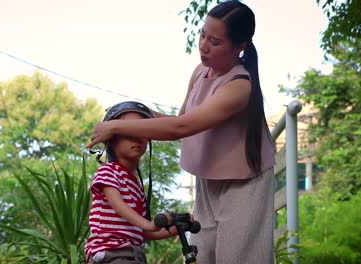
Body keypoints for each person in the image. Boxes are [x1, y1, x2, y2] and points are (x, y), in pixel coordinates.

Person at [87, 1, 276, 263]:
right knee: (205, 255)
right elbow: (182, 119)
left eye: (215, 41)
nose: (203, 45)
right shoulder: (200, 72)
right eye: (202, 35)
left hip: (243, 184)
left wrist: (116, 126)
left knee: (237, 257)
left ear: (240, 46)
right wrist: (129, 113)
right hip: (209, 179)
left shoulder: (239, 86)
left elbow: (180, 129)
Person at [85, 101, 180, 264]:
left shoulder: (136, 186)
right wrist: (151, 225)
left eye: (141, 132)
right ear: (112, 139)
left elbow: (142, 231)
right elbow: (119, 206)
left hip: (133, 255)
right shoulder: (108, 171)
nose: (136, 139)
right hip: (110, 253)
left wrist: (177, 227)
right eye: (128, 133)